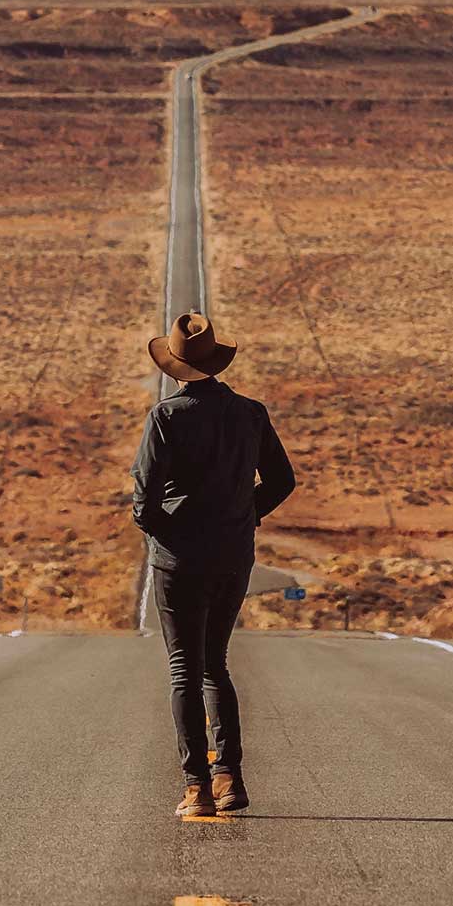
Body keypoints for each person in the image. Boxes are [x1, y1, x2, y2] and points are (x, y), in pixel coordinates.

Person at [130, 310, 296, 820]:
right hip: (232, 555)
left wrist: (169, 533)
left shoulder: (166, 417)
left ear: (175, 367)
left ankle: (196, 788)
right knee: (215, 665)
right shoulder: (251, 413)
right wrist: (243, 516)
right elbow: (282, 481)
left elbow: (143, 501)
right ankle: (230, 778)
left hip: (180, 558)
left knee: (184, 668)